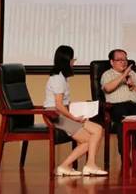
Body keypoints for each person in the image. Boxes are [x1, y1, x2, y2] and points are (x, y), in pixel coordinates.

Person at [44, 45, 108, 176]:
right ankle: (67, 166)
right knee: (89, 139)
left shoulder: (62, 77)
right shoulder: (57, 79)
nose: (74, 62)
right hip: (57, 117)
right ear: (67, 60)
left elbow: (64, 104)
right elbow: (59, 105)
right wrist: (74, 118)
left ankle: (88, 164)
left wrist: (79, 111)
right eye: (73, 59)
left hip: (62, 115)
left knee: (97, 129)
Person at [101, 48, 136, 167]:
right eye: (119, 60)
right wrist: (123, 75)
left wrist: (133, 86)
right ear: (112, 62)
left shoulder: (132, 74)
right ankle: (124, 155)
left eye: (125, 59)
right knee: (123, 123)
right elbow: (107, 88)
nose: (123, 62)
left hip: (134, 105)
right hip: (116, 107)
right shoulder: (107, 74)